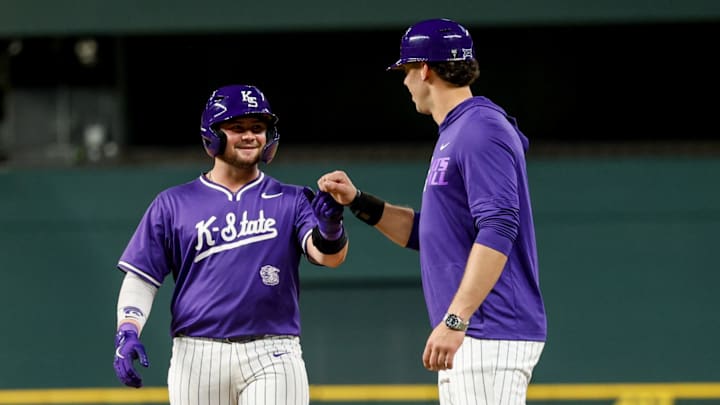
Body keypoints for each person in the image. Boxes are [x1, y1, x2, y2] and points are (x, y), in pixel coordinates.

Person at [317, 18, 546, 405]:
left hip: (488, 329)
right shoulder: (459, 131)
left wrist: (456, 319)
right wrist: (358, 201)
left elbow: (500, 226)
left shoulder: (479, 129)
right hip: (478, 332)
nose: (405, 83)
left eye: (406, 71)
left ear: (424, 69)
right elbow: (433, 235)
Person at [112, 84, 349, 405]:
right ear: (213, 134)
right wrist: (128, 330)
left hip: (273, 351)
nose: (250, 136)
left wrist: (331, 226)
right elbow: (142, 278)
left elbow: (327, 257)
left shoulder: (293, 199)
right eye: (237, 128)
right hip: (197, 353)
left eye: (258, 128)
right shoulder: (173, 203)